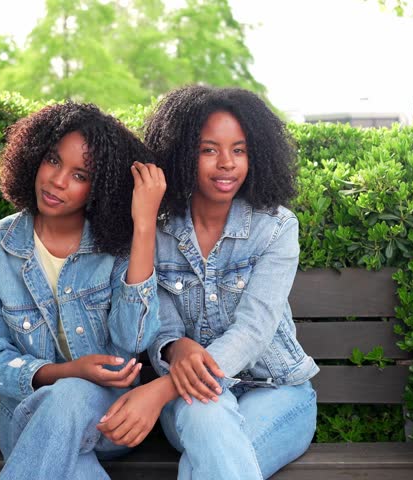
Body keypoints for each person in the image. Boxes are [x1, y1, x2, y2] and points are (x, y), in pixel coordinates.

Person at [97, 86, 319, 479]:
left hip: (277, 392)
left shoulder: (276, 227)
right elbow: (152, 326)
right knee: (208, 424)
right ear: (182, 154)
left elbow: (254, 330)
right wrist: (175, 346)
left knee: (213, 457)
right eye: (209, 150)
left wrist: (160, 390)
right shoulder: (159, 231)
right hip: (192, 402)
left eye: (240, 149)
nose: (227, 164)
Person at [0, 102, 165, 479]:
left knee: (70, 396)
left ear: (99, 188)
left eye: (79, 174)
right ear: (34, 157)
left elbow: (134, 337)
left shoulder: (117, 247)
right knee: (68, 428)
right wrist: (65, 371)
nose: (57, 181)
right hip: (26, 417)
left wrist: (144, 226)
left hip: (111, 418)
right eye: (53, 161)